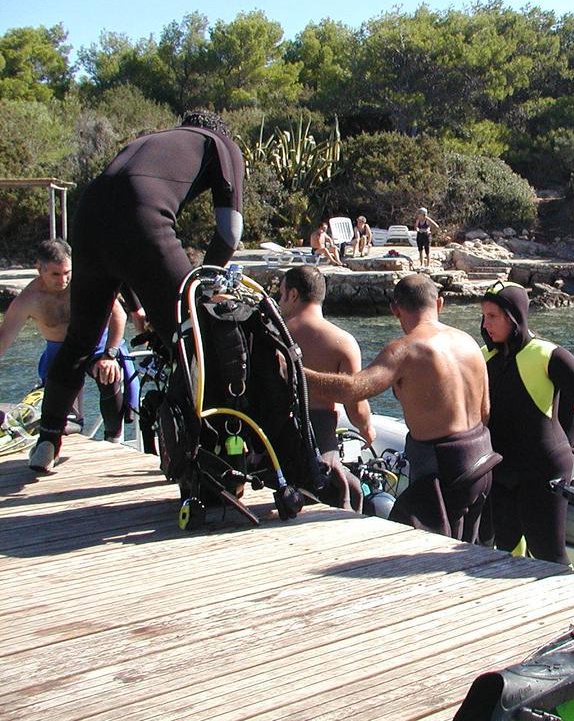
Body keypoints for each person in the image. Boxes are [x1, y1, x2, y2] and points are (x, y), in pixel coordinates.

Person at [29, 109, 246, 474]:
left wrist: (134, 305)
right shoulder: (222, 145)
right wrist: (204, 289)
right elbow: (229, 234)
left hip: (90, 214)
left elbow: (120, 247)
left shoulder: (151, 142)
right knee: (192, 341)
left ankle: (47, 440)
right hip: (142, 213)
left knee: (81, 339)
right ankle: (205, 455)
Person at [304, 273, 499, 542]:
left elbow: (352, 389)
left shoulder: (405, 350)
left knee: (415, 552)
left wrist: (296, 372)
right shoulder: (469, 343)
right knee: (467, 551)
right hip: (481, 464)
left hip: (440, 472)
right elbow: (485, 409)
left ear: (395, 309)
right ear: (439, 304)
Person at [481, 282, 574, 565]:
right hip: (502, 470)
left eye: (493, 316)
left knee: (548, 553)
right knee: (508, 552)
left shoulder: (546, 354)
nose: (486, 323)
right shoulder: (483, 357)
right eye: (484, 316)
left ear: (513, 316)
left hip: (543, 470)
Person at [0, 239, 138, 460]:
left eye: (67, 273)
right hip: (59, 351)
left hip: (96, 344)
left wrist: (110, 354)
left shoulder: (84, 284)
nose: (63, 280)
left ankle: (114, 439)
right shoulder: (29, 299)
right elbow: (4, 338)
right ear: (40, 268)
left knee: (108, 375)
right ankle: (55, 444)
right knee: (63, 415)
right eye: (55, 274)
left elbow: (119, 315)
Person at [278, 265, 374, 511]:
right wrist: (367, 428)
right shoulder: (341, 341)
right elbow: (355, 405)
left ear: (293, 295)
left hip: (274, 444)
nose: (280, 301)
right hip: (320, 449)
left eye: (280, 294)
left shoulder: (274, 336)